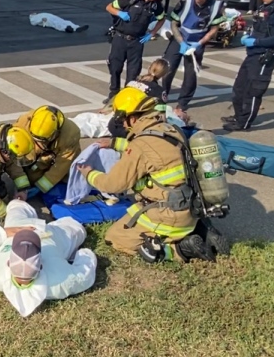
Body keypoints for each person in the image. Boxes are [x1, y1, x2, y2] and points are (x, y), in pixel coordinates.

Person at [75, 87, 213, 262]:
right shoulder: (170, 129)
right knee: (132, 213)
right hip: (190, 207)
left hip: (167, 215)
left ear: (132, 118)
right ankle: (200, 230)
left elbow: (112, 184)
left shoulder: (140, 145)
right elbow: (153, 152)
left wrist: (88, 173)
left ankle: (179, 249)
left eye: (123, 120)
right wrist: (114, 143)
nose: (123, 125)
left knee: (115, 238)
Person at [0, 201, 97, 317]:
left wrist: (5, 232)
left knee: (16, 207)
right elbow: (86, 265)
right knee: (76, 227)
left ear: (8, 262)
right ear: (41, 265)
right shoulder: (63, 281)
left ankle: (20, 203)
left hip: (15, 228)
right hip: (52, 237)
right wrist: (82, 253)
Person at [224, 0, 274, 132]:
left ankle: (244, 122)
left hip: (264, 55)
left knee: (253, 91)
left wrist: (256, 42)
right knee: (239, 88)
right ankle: (238, 116)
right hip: (253, 54)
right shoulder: (268, 6)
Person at [161, 0, 226, 112]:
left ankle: (183, 102)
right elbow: (174, 23)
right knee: (168, 68)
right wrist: (181, 42)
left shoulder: (216, 6)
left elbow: (214, 28)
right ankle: (163, 94)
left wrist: (200, 43)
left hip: (197, 41)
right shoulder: (186, 1)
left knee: (191, 74)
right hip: (180, 38)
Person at [104, 0, 166, 103]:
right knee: (115, 67)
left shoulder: (155, 5)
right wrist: (119, 13)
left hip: (137, 41)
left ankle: (128, 93)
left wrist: (152, 33)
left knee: (133, 72)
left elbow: (162, 19)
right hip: (120, 38)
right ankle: (114, 93)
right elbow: (109, 7)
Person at [13, 105, 82, 195]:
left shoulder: (70, 135)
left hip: (52, 157)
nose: (39, 144)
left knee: (66, 177)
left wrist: (40, 187)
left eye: (43, 141)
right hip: (36, 153)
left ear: (55, 133)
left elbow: (61, 167)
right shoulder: (24, 121)